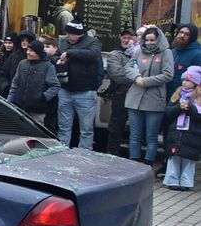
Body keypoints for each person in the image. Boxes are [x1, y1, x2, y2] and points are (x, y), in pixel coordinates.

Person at [124, 26, 173, 164]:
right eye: (147, 40)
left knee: (151, 136)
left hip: (154, 100)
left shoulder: (166, 53)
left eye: (152, 40)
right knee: (134, 135)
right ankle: (133, 161)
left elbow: (168, 75)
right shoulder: (139, 51)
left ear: (158, 39)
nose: (149, 43)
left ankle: (148, 162)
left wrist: (146, 81)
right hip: (135, 99)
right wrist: (137, 77)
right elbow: (128, 67)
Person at [55, 22, 103, 148]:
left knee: (86, 129)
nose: (67, 36)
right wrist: (57, 60)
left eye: (70, 34)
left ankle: (84, 154)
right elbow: (55, 55)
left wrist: (70, 54)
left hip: (85, 91)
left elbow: (93, 55)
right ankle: (61, 151)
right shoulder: (64, 43)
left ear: (78, 34)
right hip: (65, 89)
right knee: (63, 127)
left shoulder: (93, 43)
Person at [164, 66, 201, 190]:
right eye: (183, 80)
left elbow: (198, 117)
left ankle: (186, 182)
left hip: (192, 134)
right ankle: (172, 180)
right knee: (174, 157)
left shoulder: (198, 99)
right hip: (176, 132)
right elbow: (168, 112)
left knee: (188, 159)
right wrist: (179, 108)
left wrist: (189, 108)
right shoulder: (177, 94)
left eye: (188, 80)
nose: (185, 82)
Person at [103, 28, 137, 157]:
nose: (126, 40)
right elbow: (117, 75)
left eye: (129, 38)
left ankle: (135, 158)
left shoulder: (140, 53)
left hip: (139, 96)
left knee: (137, 129)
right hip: (120, 95)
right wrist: (139, 78)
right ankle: (112, 155)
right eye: (124, 37)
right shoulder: (114, 55)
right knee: (115, 128)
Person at [9, 40, 59, 125]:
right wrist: (10, 101)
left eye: (31, 51)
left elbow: (55, 86)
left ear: (38, 52)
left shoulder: (48, 66)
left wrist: (43, 97)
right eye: (28, 50)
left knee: (35, 132)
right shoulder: (22, 63)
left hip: (37, 109)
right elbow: (15, 83)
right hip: (19, 105)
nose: (28, 52)